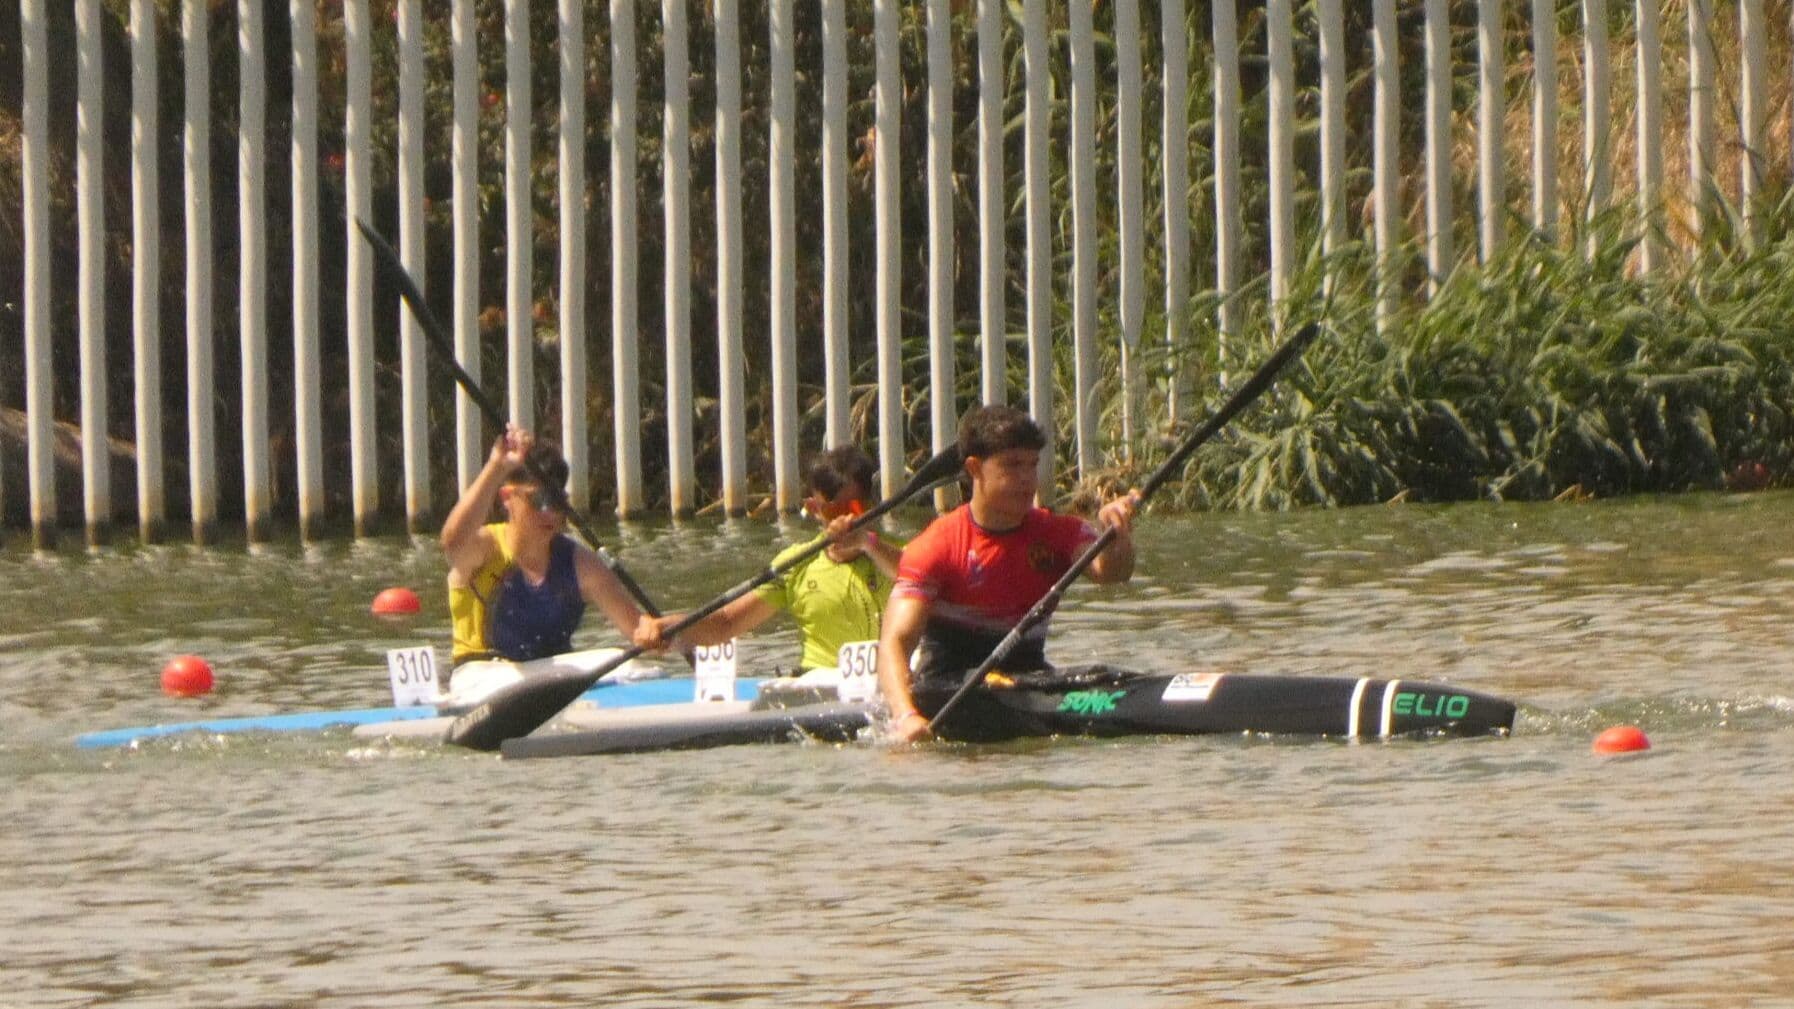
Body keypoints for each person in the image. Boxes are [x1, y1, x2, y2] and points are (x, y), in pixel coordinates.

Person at [876, 405, 1139, 742]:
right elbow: (894, 643)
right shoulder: (936, 546)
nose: (1028, 479)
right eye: (1012, 466)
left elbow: (1111, 573)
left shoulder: (1057, 531)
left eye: (1032, 465)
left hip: (1028, 679)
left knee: (1107, 677)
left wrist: (1116, 534)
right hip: (950, 690)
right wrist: (905, 715)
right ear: (974, 468)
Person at [632, 445, 902, 672]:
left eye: (855, 509)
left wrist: (868, 543)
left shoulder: (905, 556)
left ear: (873, 507)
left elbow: (919, 580)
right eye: (835, 511)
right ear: (813, 509)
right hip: (819, 684)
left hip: (887, 682)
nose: (847, 522)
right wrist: (668, 626)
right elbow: (725, 623)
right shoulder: (795, 564)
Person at [440, 426, 652, 679]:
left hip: (552, 677)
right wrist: (496, 466)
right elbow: (452, 542)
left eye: (557, 501)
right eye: (539, 500)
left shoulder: (582, 565)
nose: (550, 512)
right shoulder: (486, 549)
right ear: (507, 497)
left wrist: (655, 632)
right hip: (480, 674)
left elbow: (638, 631)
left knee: (626, 664)